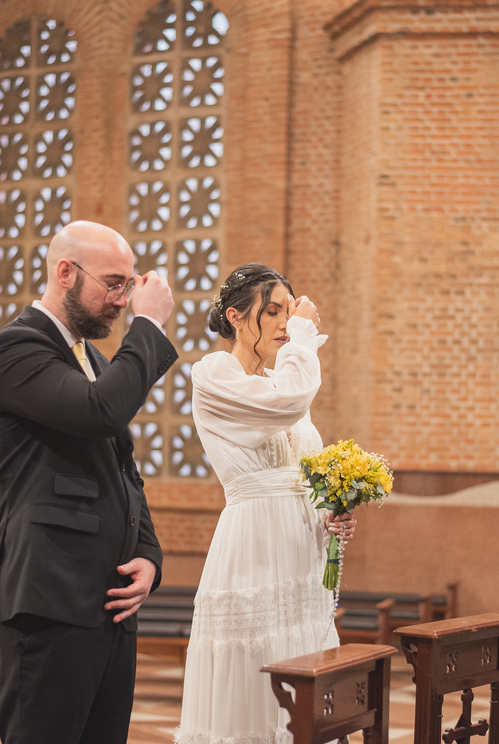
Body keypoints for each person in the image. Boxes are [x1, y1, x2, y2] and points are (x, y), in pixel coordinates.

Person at [0, 221, 177, 744]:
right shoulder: (15, 348)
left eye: (129, 286)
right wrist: (148, 325)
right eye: (113, 284)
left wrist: (149, 554)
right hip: (50, 598)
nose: (122, 299)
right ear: (65, 273)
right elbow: (99, 412)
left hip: (109, 605)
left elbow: (124, 471)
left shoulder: (95, 360)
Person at [175, 263, 355, 743]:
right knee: (257, 666)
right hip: (254, 543)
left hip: (302, 552)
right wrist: (303, 336)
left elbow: (306, 469)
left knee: (304, 664)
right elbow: (289, 402)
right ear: (235, 317)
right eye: (272, 311)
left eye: (288, 313)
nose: (283, 323)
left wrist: (330, 512)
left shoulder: (280, 380)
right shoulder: (214, 374)